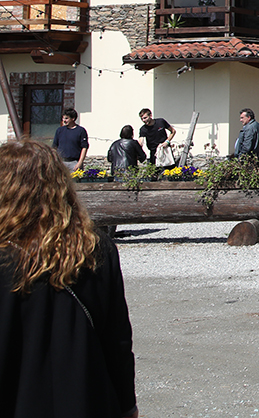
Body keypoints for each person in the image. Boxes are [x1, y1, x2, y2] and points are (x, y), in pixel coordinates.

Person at [0, 139, 138, 418]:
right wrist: (127, 404)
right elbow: (117, 342)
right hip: (86, 399)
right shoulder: (96, 249)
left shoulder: (5, 257)